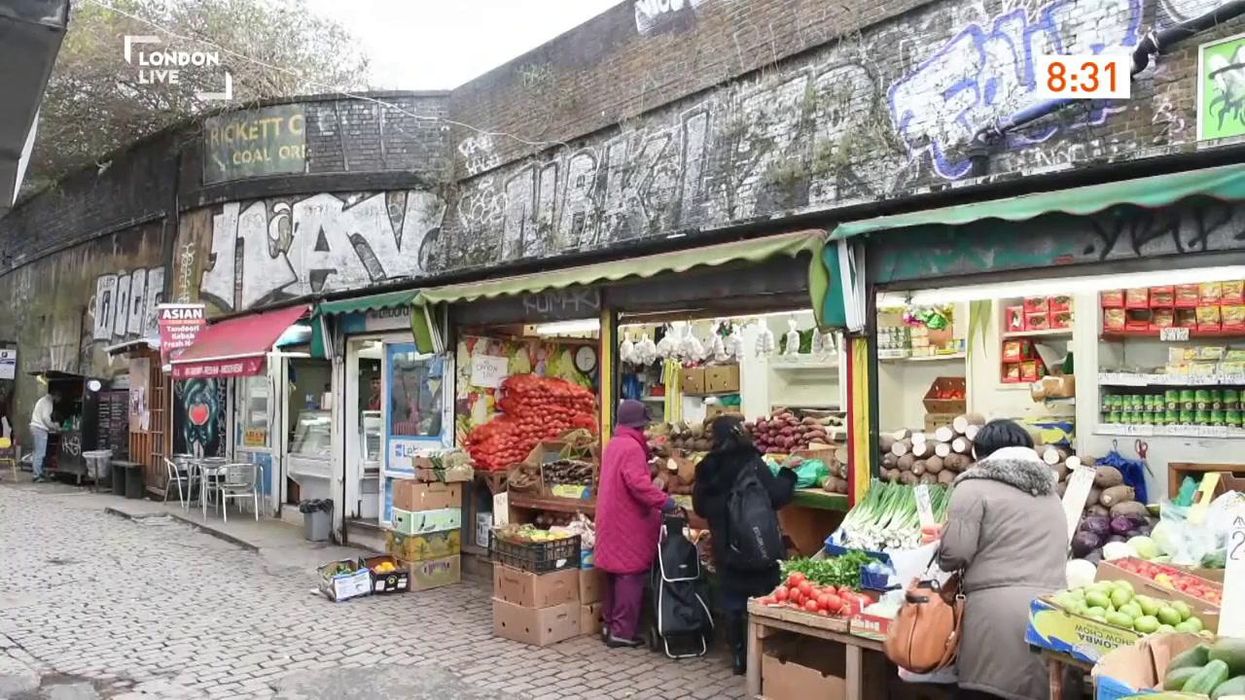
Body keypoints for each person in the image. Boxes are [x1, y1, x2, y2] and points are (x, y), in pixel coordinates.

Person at [934, 419, 1067, 700]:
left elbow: (954, 554)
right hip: (1052, 617)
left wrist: (939, 544)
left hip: (994, 623)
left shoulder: (973, 488)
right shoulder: (1050, 493)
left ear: (979, 455)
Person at [692, 414, 796, 674]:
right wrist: (788, 472)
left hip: (726, 547)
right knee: (762, 599)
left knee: (732, 602)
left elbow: (700, 507)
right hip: (755, 545)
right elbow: (777, 496)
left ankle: (738, 656)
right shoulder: (750, 462)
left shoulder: (706, 467)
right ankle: (764, 656)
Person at [594, 399, 676, 648]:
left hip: (611, 517)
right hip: (628, 521)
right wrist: (665, 502)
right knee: (630, 575)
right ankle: (622, 631)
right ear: (639, 426)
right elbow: (638, 485)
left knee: (613, 574)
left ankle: (609, 625)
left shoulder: (614, 444)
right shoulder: (632, 448)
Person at [29, 389, 60, 483]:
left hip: (35, 427)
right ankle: (37, 475)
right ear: (56, 396)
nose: (59, 400)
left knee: (37, 452)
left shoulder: (42, 400)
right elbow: (45, 418)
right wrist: (54, 426)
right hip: (40, 429)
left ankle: (39, 472)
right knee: (40, 452)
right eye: (59, 398)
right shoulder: (48, 402)